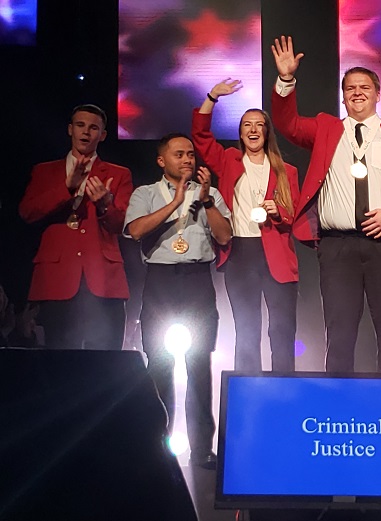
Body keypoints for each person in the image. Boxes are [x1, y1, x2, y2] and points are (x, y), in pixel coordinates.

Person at [270, 36, 381, 376]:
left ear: (377, 93)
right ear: (343, 95)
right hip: (337, 246)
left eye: (364, 87)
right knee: (339, 333)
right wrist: (285, 80)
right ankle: (339, 406)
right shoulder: (327, 128)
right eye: (350, 87)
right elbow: (288, 124)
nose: (357, 92)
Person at [124, 133, 232, 470]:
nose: (187, 159)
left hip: (198, 281)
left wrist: (207, 202)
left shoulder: (210, 193)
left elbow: (225, 236)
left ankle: (201, 449)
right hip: (160, 281)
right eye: (179, 154)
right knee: (159, 366)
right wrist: (176, 202)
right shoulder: (145, 193)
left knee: (199, 368)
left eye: (190, 154)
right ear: (161, 161)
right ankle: (159, 444)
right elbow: (137, 230)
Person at [192, 79, 300, 373]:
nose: (253, 130)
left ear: (267, 132)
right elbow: (200, 135)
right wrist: (212, 96)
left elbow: (294, 215)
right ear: (240, 133)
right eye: (247, 125)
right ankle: (248, 386)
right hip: (240, 251)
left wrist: (278, 211)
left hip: (275, 251)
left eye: (259, 125)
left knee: (281, 328)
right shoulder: (228, 160)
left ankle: (284, 384)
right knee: (246, 327)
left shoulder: (285, 170)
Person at [18, 104, 132, 350]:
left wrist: (104, 205)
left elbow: (122, 225)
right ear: (70, 129)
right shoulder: (45, 171)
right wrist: (67, 188)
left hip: (102, 279)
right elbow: (27, 213)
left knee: (104, 363)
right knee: (57, 362)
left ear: (102, 135)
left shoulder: (118, 174)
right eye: (80, 125)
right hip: (56, 278)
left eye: (93, 128)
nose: (86, 132)